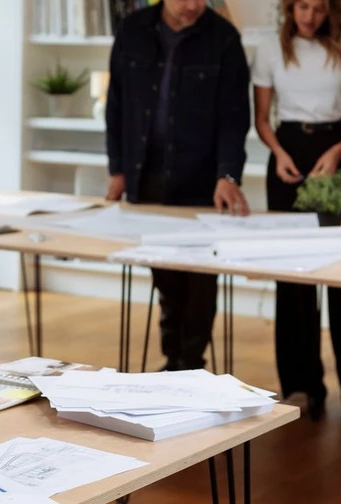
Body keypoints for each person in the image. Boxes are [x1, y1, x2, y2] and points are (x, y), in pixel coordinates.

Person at [253, 0, 341, 422]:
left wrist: (337, 152)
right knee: (294, 278)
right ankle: (300, 385)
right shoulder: (270, 47)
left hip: (340, 154)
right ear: (289, 8)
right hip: (290, 155)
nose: (309, 16)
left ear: (332, 11)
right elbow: (263, 119)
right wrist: (277, 153)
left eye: (319, 8)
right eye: (302, 7)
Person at [105, 0, 251, 371]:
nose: (192, 6)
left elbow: (235, 117)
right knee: (166, 275)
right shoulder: (132, 30)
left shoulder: (224, 38)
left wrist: (228, 174)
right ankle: (173, 359)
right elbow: (116, 104)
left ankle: (190, 362)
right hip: (146, 174)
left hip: (202, 179)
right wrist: (118, 170)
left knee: (200, 280)